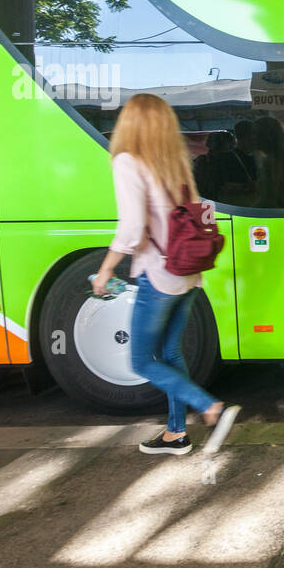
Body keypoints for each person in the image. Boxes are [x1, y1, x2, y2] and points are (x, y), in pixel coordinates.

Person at [91, 93, 239, 456]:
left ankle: (207, 406)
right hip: (188, 274)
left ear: (131, 124)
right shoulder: (175, 164)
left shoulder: (128, 162)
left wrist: (104, 272)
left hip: (159, 275)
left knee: (140, 360)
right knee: (170, 350)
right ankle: (176, 434)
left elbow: (130, 229)